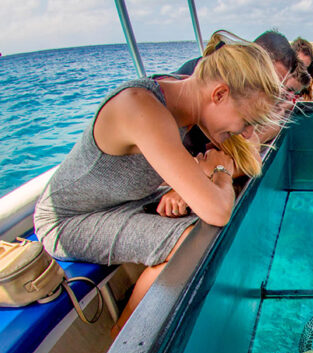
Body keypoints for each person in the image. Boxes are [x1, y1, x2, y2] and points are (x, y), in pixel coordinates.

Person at [34, 31, 282, 335]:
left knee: (202, 223)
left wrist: (216, 171)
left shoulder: (187, 100)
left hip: (123, 202)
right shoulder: (141, 107)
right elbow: (218, 211)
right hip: (69, 221)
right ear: (219, 94)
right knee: (190, 240)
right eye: (245, 121)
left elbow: (246, 156)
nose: (245, 132)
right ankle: (124, 333)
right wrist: (219, 169)